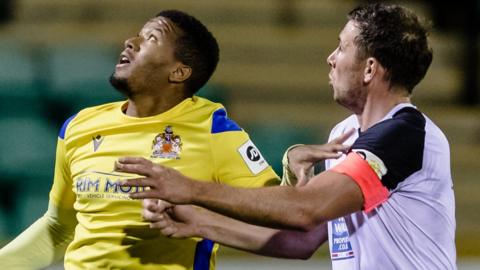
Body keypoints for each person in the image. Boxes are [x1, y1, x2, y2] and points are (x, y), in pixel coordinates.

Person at [118, 3, 457, 269]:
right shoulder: (345, 134)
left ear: (369, 68)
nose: (331, 59)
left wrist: (189, 189)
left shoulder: (406, 134)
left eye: (341, 48)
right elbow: (303, 239)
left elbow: (305, 210)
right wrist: (196, 222)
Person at [0, 10, 283, 270]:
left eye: (150, 38)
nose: (130, 42)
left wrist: (291, 176)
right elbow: (59, 227)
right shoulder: (78, 126)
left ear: (179, 71)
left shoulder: (214, 130)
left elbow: (278, 213)